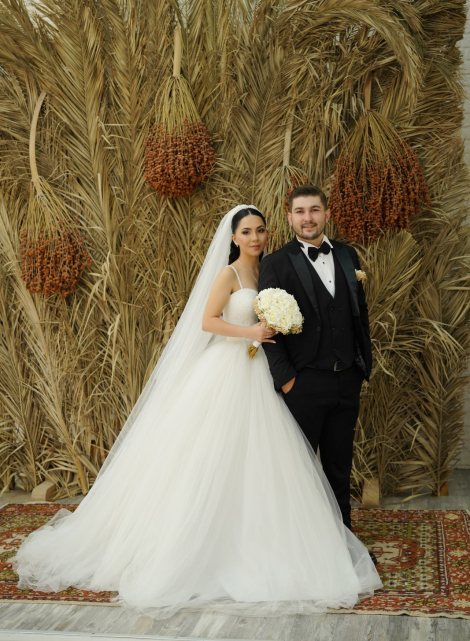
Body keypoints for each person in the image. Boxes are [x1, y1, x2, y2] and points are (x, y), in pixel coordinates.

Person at [12, 204, 381, 620]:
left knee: (265, 460)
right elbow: (208, 321)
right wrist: (251, 331)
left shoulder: (275, 270)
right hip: (231, 369)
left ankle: (275, 537)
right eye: (247, 232)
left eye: (260, 230)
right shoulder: (229, 274)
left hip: (268, 371)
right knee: (215, 457)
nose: (256, 238)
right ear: (233, 237)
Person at [259, 185, 373, 553]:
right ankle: (299, 551)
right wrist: (288, 380)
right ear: (289, 216)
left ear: (326, 212)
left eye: (314, 210)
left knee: (339, 470)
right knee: (300, 473)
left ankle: (343, 549)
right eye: (300, 211)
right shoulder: (275, 262)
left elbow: (359, 312)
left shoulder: (347, 254)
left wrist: (360, 365)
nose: (308, 218)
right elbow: (268, 330)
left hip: (347, 380)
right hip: (303, 384)